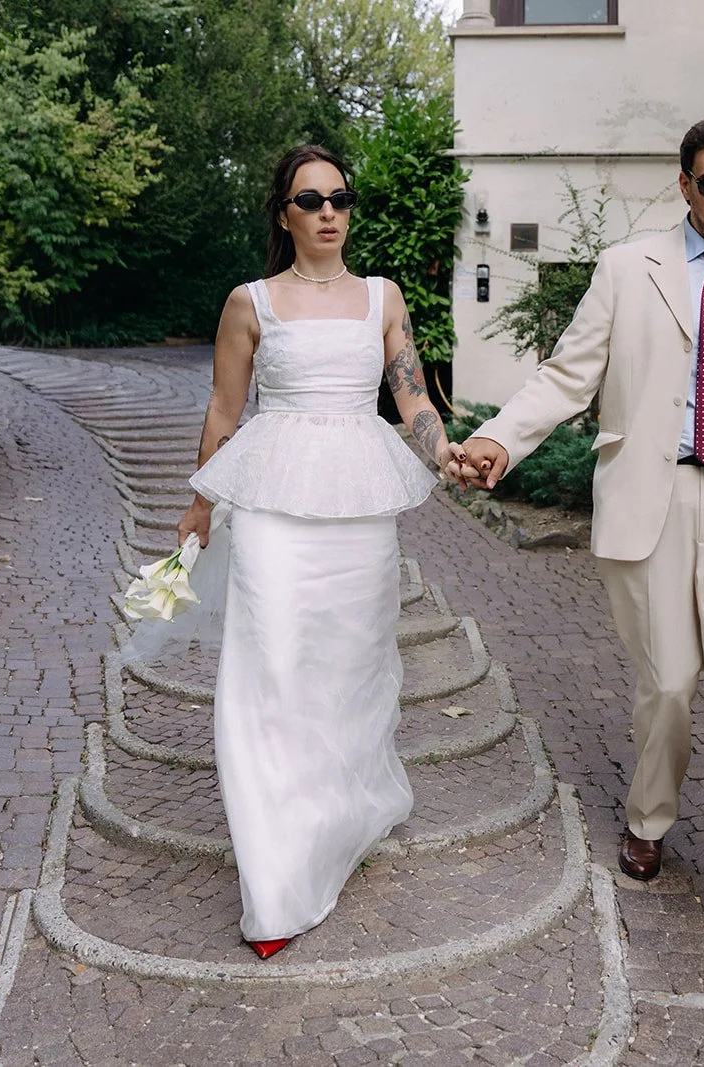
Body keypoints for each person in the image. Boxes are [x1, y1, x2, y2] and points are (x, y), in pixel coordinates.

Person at [451, 115, 704, 984]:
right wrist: (503, 442)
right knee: (666, 684)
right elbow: (565, 374)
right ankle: (649, 815)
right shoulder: (629, 270)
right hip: (650, 500)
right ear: (684, 185)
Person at [176, 145, 467, 959]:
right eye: (311, 199)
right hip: (271, 505)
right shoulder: (250, 304)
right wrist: (201, 503)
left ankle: (339, 811)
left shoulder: (382, 298)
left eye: (340, 197)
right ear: (285, 214)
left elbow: (411, 394)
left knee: (351, 666)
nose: (329, 211)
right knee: (266, 666)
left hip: (357, 510)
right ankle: (275, 882)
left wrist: (444, 453)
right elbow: (224, 409)